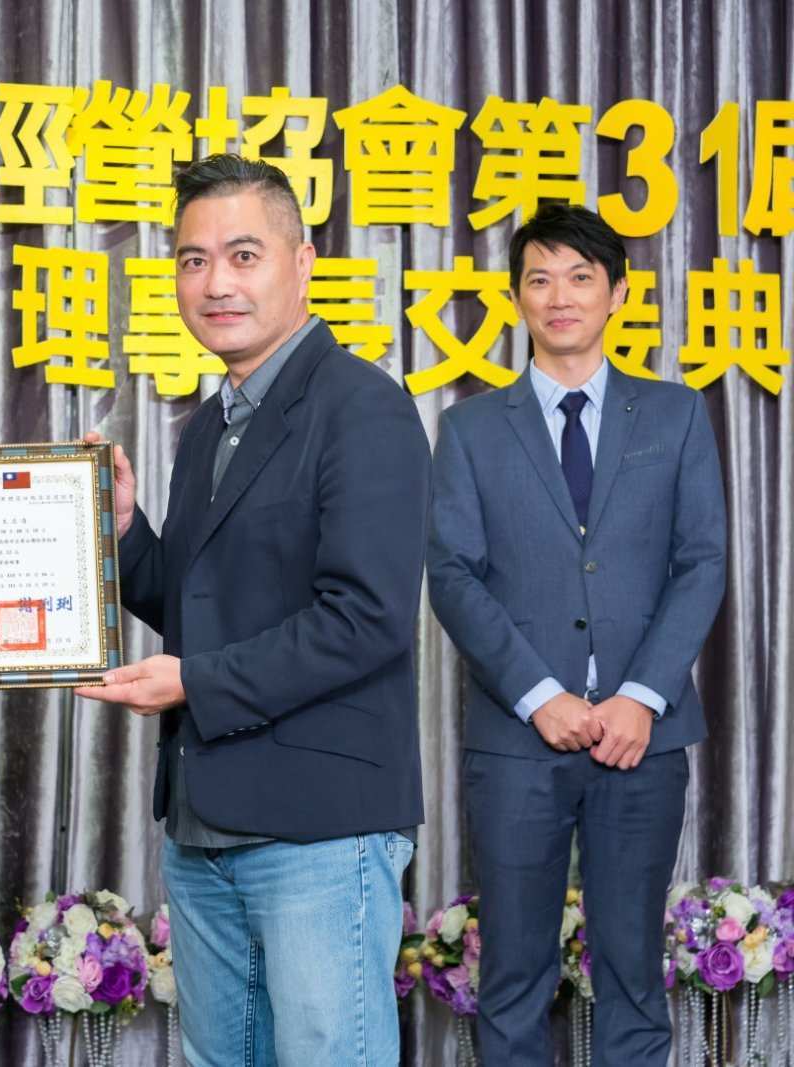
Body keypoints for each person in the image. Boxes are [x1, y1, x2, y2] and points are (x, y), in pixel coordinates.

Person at [77, 154, 431, 1066]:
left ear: (301, 263)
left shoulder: (362, 406)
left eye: (243, 255)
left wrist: (194, 682)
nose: (215, 283)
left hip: (319, 828)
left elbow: (366, 617)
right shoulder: (210, 424)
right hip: (204, 825)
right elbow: (196, 603)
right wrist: (125, 532)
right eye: (193, 260)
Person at [426, 203, 726, 1065]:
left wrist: (641, 696)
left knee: (632, 970)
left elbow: (701, 562)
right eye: (540, 279)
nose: (559, 297)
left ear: (617, 293)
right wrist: (539, 695)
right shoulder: (471, 428)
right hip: (518, 740)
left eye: (580, 277)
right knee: (512, 972)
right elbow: (453, 575)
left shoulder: (674, 415)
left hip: (644, 739)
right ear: (516, 297)